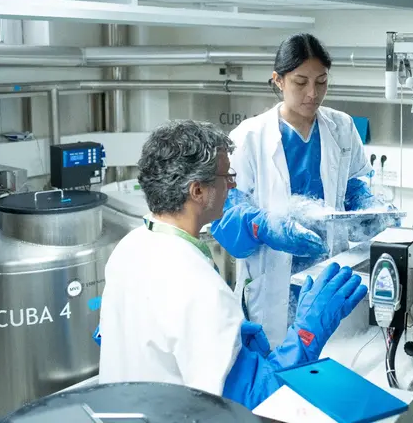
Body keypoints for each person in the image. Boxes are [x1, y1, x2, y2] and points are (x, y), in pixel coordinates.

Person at [97, 120, 368, 410]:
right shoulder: (197, 285)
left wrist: (228, 342)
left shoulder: (130, 247)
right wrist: (309, 328)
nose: (233, 184)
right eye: (226, 175)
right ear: (197, 191)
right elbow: (262, 400)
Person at [210, 33, 396, 347]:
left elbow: (353, 182)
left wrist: (366, 204)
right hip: (272, 283)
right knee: (277, 371)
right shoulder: (250, 137)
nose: (313, 93)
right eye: (300, 82)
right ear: (278, 81)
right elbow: (227, 210)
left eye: (321, 81)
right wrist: (265, 225)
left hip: (329, 273)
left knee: (332, 361)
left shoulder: (342, 127)